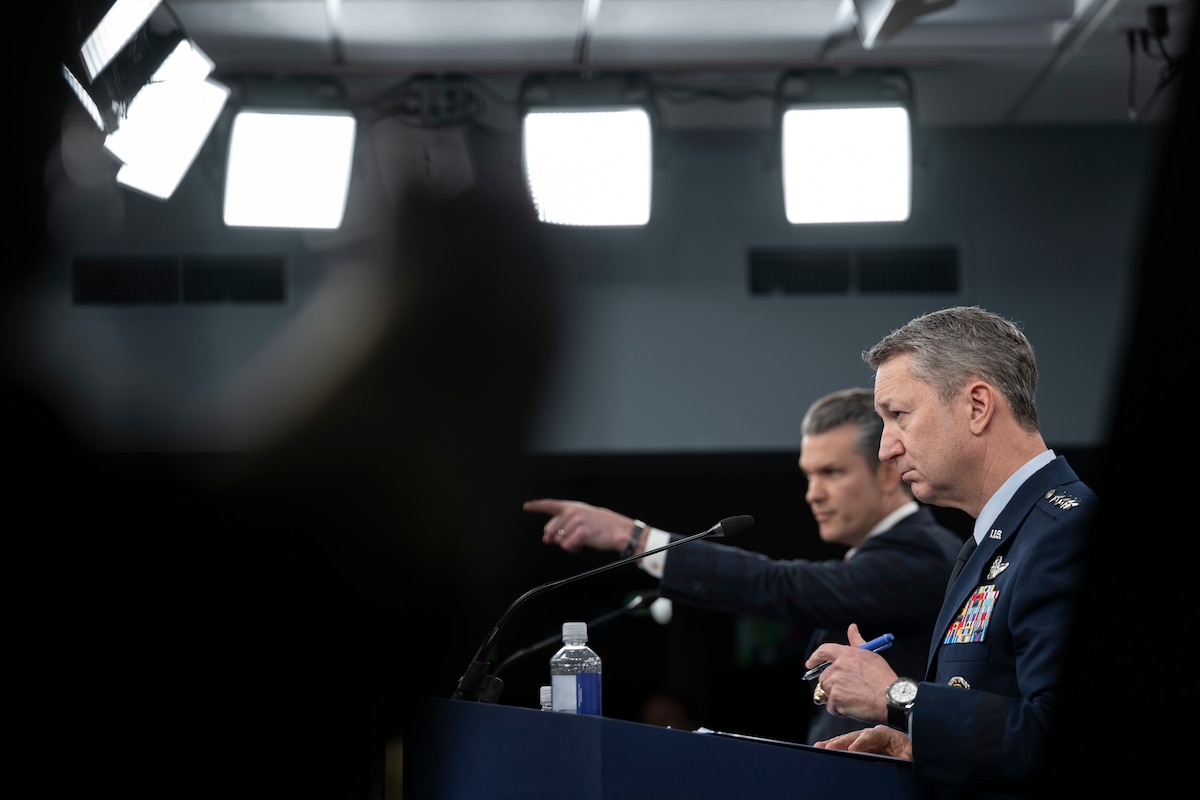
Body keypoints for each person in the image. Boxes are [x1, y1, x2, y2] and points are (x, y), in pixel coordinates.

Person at [525, 387, 962, 744]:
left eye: (831, 472)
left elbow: (781, 585)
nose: (813, 494)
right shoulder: (884, 555)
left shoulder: (921, 553)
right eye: (809, 475)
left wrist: (634, 537)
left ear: (887, 473)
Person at [805, 306, 1097, 799]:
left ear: (977, 406)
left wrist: (896, 696)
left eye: (899, 415)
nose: (885, 448)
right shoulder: (992, 541)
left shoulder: (1068, 531)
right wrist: (914, 741)